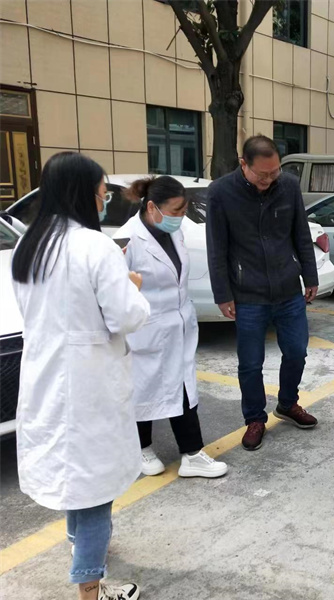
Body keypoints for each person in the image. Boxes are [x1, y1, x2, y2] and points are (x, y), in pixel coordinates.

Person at [11, 152, 150, 600]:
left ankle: (79, 546)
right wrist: (133, 288)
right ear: (84, 194)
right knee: (94, 488)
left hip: (46, 374)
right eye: (102, 191)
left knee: (73, 477)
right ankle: (90, 587)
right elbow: (125, 316)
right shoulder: (95, 247)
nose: (105, 199)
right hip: (88, 384)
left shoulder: (30, 245)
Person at [206, 135, 319, 451]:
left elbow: (301, 233)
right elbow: (217, 248)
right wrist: (223, 294)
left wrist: (309, 276)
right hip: (248, 293)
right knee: (250, 363)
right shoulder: (221, 192)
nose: (269, 180)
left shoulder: (289, 186)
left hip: (288, 289)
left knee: (296, 351)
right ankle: (255, 418)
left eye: (274, 172)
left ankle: (287, 403)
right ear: (244, 164)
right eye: (262, 174)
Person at [124, 176, 227, 478]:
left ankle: (192, 454)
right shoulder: (128, 239)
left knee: (182, 389)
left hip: (178, 326)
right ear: (152, 207)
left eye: (184, 210)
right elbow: (116, 293)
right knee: (142, 391)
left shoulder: (174, 232)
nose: (181, 217)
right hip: (145, 331)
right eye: (176, 211)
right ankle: (141, 449)